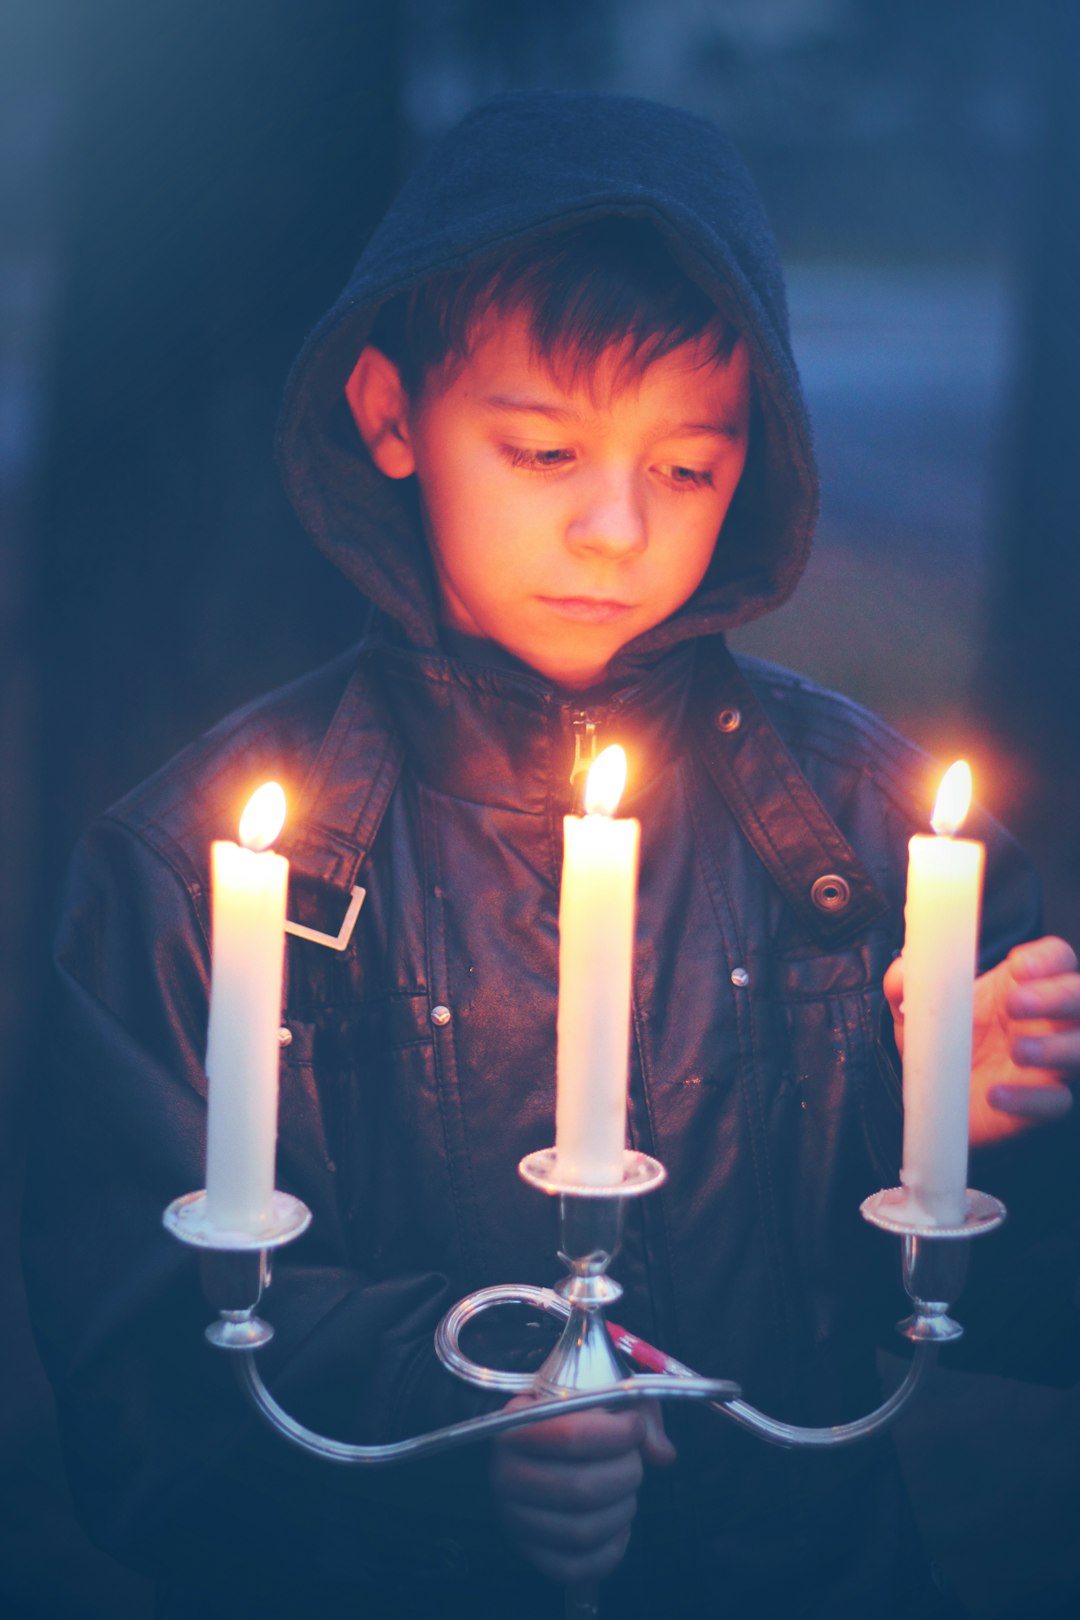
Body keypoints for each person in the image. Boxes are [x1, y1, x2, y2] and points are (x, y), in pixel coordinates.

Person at [23, 90, 1080, 1619]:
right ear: (391, 416)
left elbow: (1028, 1318)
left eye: (689, 469)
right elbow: (136, 1391)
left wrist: (976, 1139)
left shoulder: (878, 843)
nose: (615, 527)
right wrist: (457, 1418)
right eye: (543, 449)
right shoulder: (200, 873)